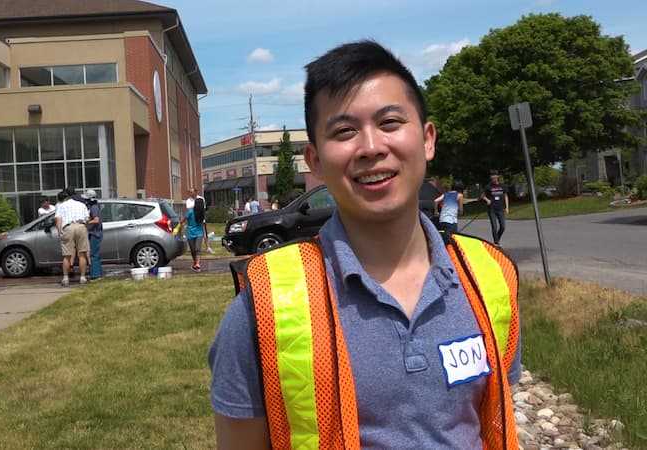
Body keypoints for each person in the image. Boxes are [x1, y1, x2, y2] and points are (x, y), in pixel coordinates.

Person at [208, 40, 521, 449]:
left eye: (390, 122)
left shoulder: (490, 278)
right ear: (315, 161)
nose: (371, 147)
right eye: (344, 131)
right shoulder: (264, 306)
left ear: (427, 140)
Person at [54, 189, 90, 287]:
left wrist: (60, 232)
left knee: (67, 255)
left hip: (68, 227)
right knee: (82, 254)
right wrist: (84, 227)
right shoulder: (81, 205)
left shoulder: (61, 205)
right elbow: (87, 219)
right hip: (80, 226)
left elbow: (58, 219)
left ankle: (65, 279)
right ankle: (83, 278)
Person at [480, 172, 509, 246]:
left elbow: (505, 196)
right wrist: (487, 200)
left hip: (500, 208)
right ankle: (496, 242)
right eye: (492, 176)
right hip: (491, 209)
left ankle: (497, 239)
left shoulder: (502, 186)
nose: (493, 178)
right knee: (494, 226)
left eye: (494, 176)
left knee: (503, 226)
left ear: (497, 177)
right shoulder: (488, 187)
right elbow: (482, 196)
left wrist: (507, 207)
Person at [180, 197, 206, 272]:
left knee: (195, 249)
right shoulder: (196, 212)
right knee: (195, 249)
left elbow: (182, 220)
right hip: (196, 233)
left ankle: (197, 264)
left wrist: (182, 226)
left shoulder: (193, 212)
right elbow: (202, 223)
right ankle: (195, 264)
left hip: (193, 233)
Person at [84, 189, 103, 281]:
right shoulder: (95, 205)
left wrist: (86, 223)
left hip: (95, 233)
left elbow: (96, 220)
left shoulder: (93, 207)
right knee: (95, 254)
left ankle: (95, 275)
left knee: (93, 255)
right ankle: (98, 273)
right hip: (95, 233)